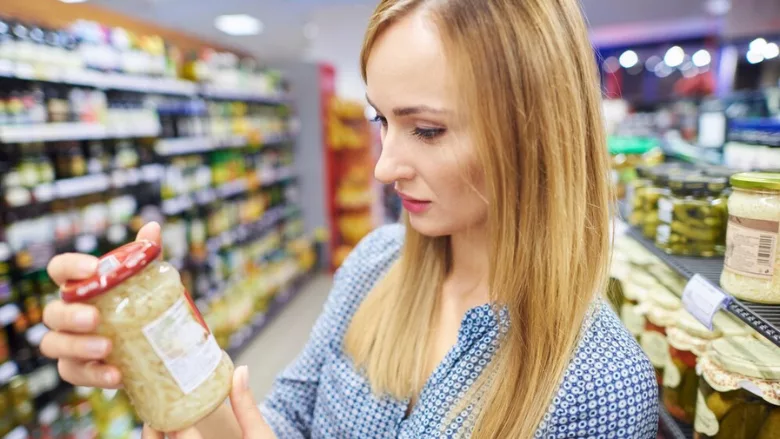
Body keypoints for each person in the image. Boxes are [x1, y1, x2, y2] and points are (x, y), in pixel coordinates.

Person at [41, 0, 659, 437]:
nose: (385, 166)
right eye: (381, 121)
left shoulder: (597, 386)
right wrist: (157, 356)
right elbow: (286, 422)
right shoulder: (375, 263)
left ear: (536, 133)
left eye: (427, 129)